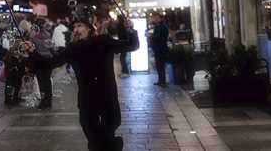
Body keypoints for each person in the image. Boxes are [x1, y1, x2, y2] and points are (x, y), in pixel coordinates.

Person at [32, 16, 139, 151]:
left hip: (107, 96)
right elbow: (49, 64)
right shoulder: (73, 49)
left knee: (109, 131)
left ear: (89, 28)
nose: (76, 29)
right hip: (87, 98)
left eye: (80, 26)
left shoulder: (103, 41)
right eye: (75, 27)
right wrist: (32, 52)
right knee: (92, 136)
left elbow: (132, 45)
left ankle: (112, 145)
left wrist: (131, 30)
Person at [32, 18, 54, 109]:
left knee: (41, 81)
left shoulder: (34, 37)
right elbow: (51, 47)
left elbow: (33, 49)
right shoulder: (48, 35)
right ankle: (48, 100)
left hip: (39, 60)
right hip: (48, 59)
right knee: (47, 80)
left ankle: (43, 100)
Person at [149, 12, 169, 87]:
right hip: (158, 48)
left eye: (157, 18)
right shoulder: (159, 26)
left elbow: (158, 37)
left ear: (161, 18)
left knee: (161, 65)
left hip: (161, 49)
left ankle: (162, 81)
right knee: (159, 65)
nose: (155, 19)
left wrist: (151, 37)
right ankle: (161, 80)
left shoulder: (162, 27)